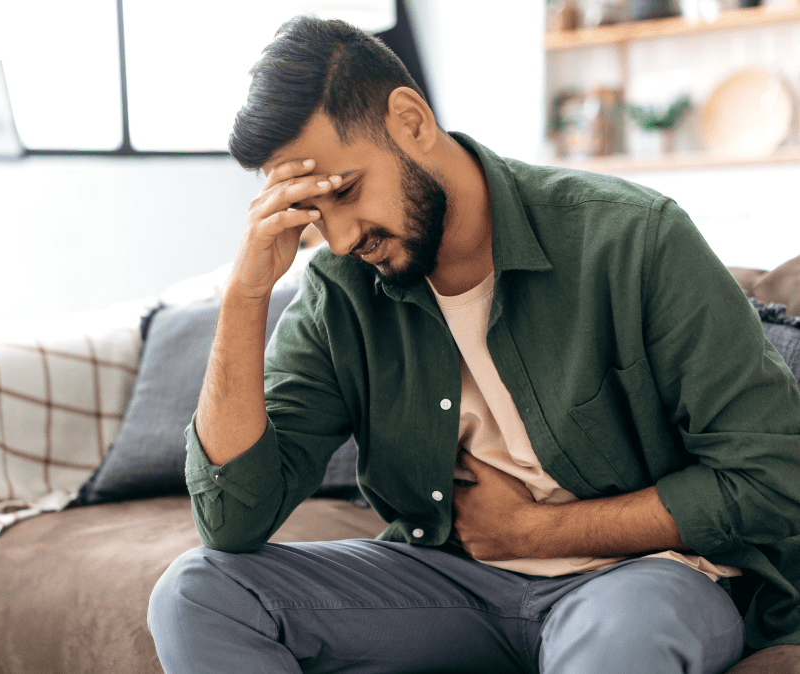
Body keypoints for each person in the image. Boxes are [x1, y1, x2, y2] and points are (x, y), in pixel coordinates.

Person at [147, 15, 800, 674]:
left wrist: (537, 532)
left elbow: (772, 475)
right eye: (315, 212)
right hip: (448, 585)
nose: (341, 238)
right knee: (197, 594)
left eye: (345, 191)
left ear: (410, 121)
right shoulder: (339, 289)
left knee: (622, 639)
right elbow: (232, 524)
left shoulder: (631, 239)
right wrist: (245, 296)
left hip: (642, 582)